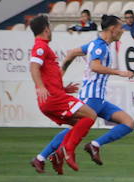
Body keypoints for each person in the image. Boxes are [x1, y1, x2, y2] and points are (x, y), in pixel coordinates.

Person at [38, 14, 134, 170]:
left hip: (98, 98)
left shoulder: (96, 44)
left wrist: (61, 74)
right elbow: (94, 66)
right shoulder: (100, 47)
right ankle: (43, 157)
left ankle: (94, 145)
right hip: (91, 97)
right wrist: (121, 73)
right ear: (112, 29)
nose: (123, 30)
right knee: (74, 130)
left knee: (128, 123)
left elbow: (71, 53)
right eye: (120, 27)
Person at [27, 15, 105, 173]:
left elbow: (46, 73)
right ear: (46, 29)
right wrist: (40, 87)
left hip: (54, 97)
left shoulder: (42, 46)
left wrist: (62, 89)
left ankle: (53, 157)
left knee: (79, 125)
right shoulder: (40, 46)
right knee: (90, 115)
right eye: (50, 26)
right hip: (54, 99)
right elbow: (34, 67)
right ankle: (68, 151)